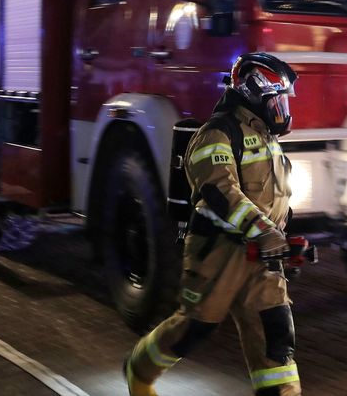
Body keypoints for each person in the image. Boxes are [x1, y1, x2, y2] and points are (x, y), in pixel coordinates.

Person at [125, 52, 301, 396]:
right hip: (217, 254)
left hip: (260, 258)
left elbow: (277, 198)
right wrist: (263, 231)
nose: (283, 108)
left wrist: (286, 237)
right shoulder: (215, 135)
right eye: (278, 99)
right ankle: (139, 371)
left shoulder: (269, 139)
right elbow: (220, 192)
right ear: (254, 93)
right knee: (194, 328)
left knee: (277, 336)